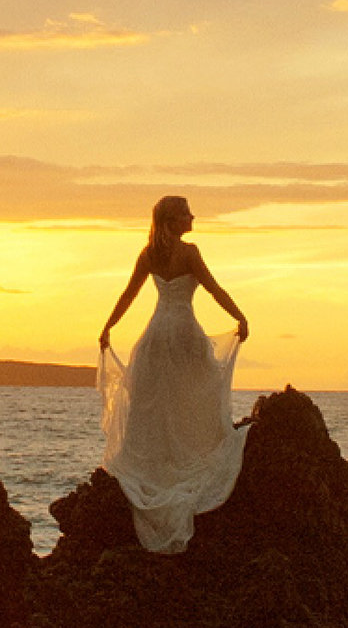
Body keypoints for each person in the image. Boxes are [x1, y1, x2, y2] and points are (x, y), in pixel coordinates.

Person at [97, 195, 250, 554]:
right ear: (172, 220)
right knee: (193, 398)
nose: (192, 216)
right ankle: (189, 460)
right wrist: (240, 316)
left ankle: (159, 469)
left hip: (154, 335)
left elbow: (127, 296)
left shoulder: (149, 254)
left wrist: (108, 327)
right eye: (185, 212)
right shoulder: (190, 253)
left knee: (155, 407)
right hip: (182, 332)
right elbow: (213, 289)